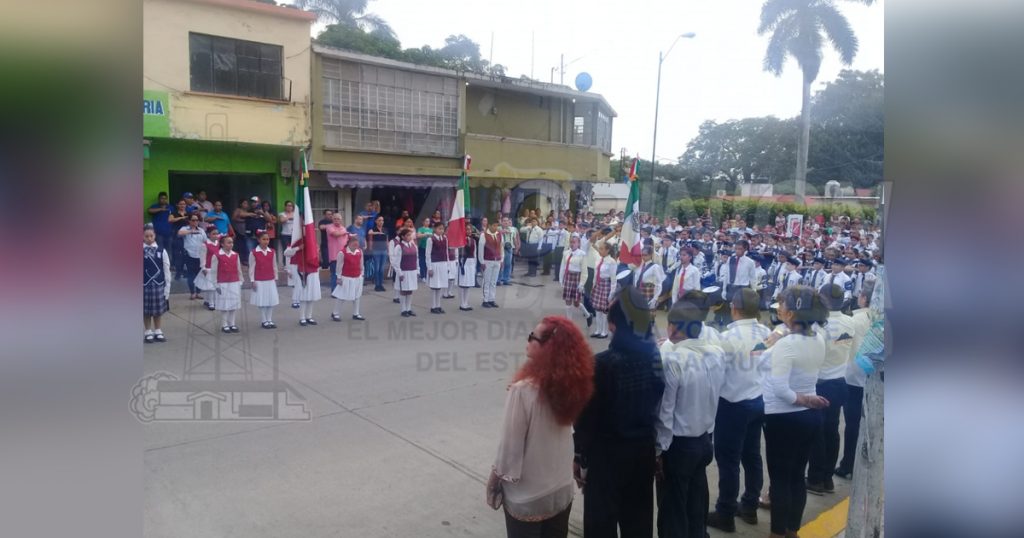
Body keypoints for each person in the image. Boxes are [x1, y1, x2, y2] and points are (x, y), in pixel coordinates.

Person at [486, 316, 595, 538]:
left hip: (529, 495)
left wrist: (494, 479)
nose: (527, 341)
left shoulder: (523, 390)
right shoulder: (573, 384)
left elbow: (509, 450)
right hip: (561, 490)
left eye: (532, 337)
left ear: (548, 347)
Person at [574, 287, 664, 538]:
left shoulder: (602, 364)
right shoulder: (654, 357)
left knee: (600, 522)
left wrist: (580, 455)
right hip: (642, 451)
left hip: (607, 456)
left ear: (613, 326)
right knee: (638, 519)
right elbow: (659, 398)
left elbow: (587, 418)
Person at [761, 285, 830, 538]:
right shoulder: (817, 337)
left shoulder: (787, 343)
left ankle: (777, 533)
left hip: (784, 417)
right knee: (797, 477)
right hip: (809, 418)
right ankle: (792, 530)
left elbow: (781, 389)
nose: (780, 308)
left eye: (783, 305)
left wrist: (803, 399)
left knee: (780, 479)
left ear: (793, 313)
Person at [655, 297, 726, 538]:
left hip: (678, 445)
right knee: (697, 504)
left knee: (673, 510)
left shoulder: (672, 360)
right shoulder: (716, 353)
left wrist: (658, 451)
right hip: (704, 440)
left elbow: (665, 413)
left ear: (673, 328)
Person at [707, 289, 772, 532]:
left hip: (733, 404)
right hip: (757, 400)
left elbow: (716, 370)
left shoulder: (729, 336)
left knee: (728, 460)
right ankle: (749, 506)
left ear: (734, 308)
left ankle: (725, 511)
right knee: (752, 456)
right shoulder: (766, 332)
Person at [805, 283, 857, 494]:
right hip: (840, 382)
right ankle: (827, 478)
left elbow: (811, 357)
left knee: (818, 434)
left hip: (821, 383)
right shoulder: (850, 322)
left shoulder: (819, 326)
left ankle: (816, 479)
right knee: (832, 432)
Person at [835, 283, 876, 479]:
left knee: (852, 424)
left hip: (853, 376)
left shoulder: (856, 319)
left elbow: (842, 345)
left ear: (864, 299)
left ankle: (848, 464)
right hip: (872, 375)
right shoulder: (880, 318)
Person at [283, 239, 323, 327]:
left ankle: (309, 316)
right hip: (300, 268)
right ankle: (302, 317)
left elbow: (317, 255)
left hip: (312, 268)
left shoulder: (313, 242)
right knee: (303, 293)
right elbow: (286, 253)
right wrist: (298, 248)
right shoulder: (294, 243)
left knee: (311, 294)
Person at [210, 235, 243, 334]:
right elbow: (214, 271)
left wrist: (240, 281)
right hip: (223, 283)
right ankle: (224, 324)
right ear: (222, 244)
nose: (231, 244)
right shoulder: (217, 255)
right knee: (224, 305)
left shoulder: (235, 255)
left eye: (232, 242)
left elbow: (238, 269)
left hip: (234, 282)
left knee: (233, 304)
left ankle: (232, 323)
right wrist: (215, 284)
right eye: (228, 242)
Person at [143, 227, 171, 343]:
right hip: (144, 284)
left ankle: (158, 330)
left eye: (151, 236)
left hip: (159, 284)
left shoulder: (161, 250)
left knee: (157, 310)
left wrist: (167, 288)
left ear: (155, 236)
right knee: (146, 310)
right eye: (146, 236)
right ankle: (148, 331)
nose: (149, 238)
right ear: (142, 237)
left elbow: (166, 269)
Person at [248, 231, 279, 329]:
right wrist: (252, 280)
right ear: (258, 240)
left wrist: (276, 277)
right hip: (259, 279)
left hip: (270, 278)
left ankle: (269, 319)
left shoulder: (272, 252)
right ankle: (264, 320)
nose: (266, 241)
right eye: (263, 239)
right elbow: (251, 267)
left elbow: (274, 265)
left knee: (270, 300)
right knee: (262, 300)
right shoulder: (254, 252)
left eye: (267, 239)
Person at [331, 235, 366, 322]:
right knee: (341, 296)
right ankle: (335, 313)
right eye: (354, 244)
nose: (355, 246)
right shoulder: (342, 253)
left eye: (357, 244)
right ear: (349, 244)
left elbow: (361, 264)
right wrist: (338, 277)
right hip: (346, 277)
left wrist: (362, 274)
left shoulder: (360, 251)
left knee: (357, 296)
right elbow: (339, 267)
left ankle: (356, 313)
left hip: (357, 277)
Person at [558, 235, 590, 324]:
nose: (572, 244)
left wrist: (581, 284)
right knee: (567, 301)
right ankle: (569, 323)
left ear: (578, 243)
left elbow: (584, 271)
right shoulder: (566, 253)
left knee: (576, 303)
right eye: (571, 242)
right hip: (568, 277)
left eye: (574, 242)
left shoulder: (582, 254)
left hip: (577, 278)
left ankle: (588, 315)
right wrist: (561, 279)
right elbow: (563, 266)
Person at [589, 242, 616, 339]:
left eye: (601, 249)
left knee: (604, 310)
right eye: (599, 248)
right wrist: (593, 285)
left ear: (607, 250)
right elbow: (596, 274)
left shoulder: (612, 261)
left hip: (606, 285)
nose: (599, 251)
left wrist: (611, 294)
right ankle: (598, 330)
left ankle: (604, 332)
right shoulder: (599, 259)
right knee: (597, 309)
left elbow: (613, 279)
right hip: (598, 285)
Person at [178, 213, 207, 300]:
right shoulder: (185, 228)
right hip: (189, 255)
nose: (195, 222)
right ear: (189, 221)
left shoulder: (201, 230)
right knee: (191, 275)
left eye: (197, 220)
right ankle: (192, 293)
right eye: (193, 220)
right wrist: (191, 231)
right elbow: (179, 233)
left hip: (200, 256)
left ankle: (198, 293)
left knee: (200, 275)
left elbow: (205, 241)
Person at [392, 227, 420, 317]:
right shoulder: (399, 247)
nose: (410, 237)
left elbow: (417, 259)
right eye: (408, 235)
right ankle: (403, 309)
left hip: (412, 271)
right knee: (404, 290)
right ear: (403, 236)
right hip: (403, 271)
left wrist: (417, 270)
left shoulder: (414, 246)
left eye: (410, 235)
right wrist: (399, 273)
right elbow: (396, 262)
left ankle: (409, 308)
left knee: (410, 290)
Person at [192, 227, 221, 311]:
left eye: (217, 233)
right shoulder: (205, 244)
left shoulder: (218, 243)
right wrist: (203, 267)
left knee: (213, 286)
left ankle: (207, 300)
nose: (216, 236)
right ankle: (211, 303)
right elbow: (202, 256)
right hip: (208, 267)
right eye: (213, 234)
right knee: (211, 287)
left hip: (216, 267)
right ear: (209, 234)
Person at [425, 222, 451, 314]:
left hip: (443, 264)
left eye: (442, 229)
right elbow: (427, 255)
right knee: (434, 286)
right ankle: (433, 306)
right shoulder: (430, 239)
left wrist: (448, 265)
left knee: (440, 286)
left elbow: (447, 252)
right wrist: (430, 268)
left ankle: (438, 305)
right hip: (434, 264)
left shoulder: (445, 238)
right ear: (434, 229)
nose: (441, 230)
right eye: (439, 228)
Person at [479, 220, 504, 308]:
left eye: (496, 226)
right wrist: (481, 261)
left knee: (493, 281)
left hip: (497, 260)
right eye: (493, 226)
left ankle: (491, 299)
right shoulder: (484, 235)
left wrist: (502, 260)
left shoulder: (499, 234)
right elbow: (481, 249)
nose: (495, 227)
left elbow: (501, 248)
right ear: (489, 225)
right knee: (487, 281)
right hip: (487, 260)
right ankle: (485, 300)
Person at [633, 246, 666, 310]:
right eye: (642, 255)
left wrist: (655, 298)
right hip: (639, 291)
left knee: (648, 314)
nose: (643, 257)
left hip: (648, 292)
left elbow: (659, 284)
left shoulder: (655, 267)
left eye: (645, 255)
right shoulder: (640, 266)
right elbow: (636, 279)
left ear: (650, 255)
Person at [326, 213, 350, 292]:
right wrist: (345, 232)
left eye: (338, 219)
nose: (336, 220)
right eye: (335, 219)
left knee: (343, 274)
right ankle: (334, 291)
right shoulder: (329, 227)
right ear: (332, 219)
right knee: (335, 274)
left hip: (343, 255)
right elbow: (336, 234)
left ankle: (341, 291)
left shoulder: (343, 228)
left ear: (341, 220)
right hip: (334, 256)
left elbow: (347, 241)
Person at [457, 224, 479, 311]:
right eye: (467, 230)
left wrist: (475, 265)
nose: (469, 231)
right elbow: (459, 252)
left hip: (471, 262)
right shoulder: (461, 240)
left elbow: (474, 254)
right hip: (464, 262)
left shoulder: (473, 241)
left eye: (470, 230)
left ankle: (466, 302)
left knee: (468, 284)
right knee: (463, 284)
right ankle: (462, 303)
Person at [168, 199, 190, 279]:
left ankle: (185, 272)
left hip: (187, 237)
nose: (182, 205)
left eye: (184, 204)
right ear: (177, 205)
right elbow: (170, 220)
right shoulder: (174, 213)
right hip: (176, 236)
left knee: (186, 254)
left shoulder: (188, 213)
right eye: (180, 204)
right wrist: (181, 218)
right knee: (178, 254)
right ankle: (178, 272)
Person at [367, 216, 389, 292]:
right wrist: (377, 233)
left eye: (382, 220)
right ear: (376, 221)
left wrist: (388, 250)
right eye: (379, 220)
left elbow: (387, 240)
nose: (381, 222)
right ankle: (377, 285)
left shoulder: (385, 229)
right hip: (376, 250)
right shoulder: (373, 229)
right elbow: (369, 234)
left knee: (382, 269)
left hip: (384, 250)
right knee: (377, 269)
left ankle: (381, 284)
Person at [500, 216, 520, 285]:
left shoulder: (512, 229)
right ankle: (498, 280)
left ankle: (506, 280)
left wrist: (517, 247)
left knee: (508, 265)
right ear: (501, 222)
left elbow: (514, 238)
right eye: (504, 221)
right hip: (501, 249)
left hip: (509, 248)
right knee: (500, 265)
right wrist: (502, 231)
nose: (506, 222)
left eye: (507, 221)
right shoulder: (498, 228)